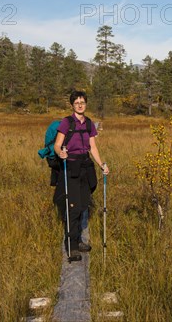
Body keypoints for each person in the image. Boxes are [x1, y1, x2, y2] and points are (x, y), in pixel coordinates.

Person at [53, 90, 110, 258]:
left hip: (86, 166)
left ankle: (78, 240)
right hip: (71, 166)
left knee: (84, 204)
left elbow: (93, 147)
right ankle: (71, 246)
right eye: (77, 102)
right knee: (74, 207)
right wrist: (60, 153)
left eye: (82, 102)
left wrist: (101, 164)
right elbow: (57, 145)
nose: (80, 105)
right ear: (72, 105)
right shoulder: (66, 122)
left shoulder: (89, 124)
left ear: (86, 104)